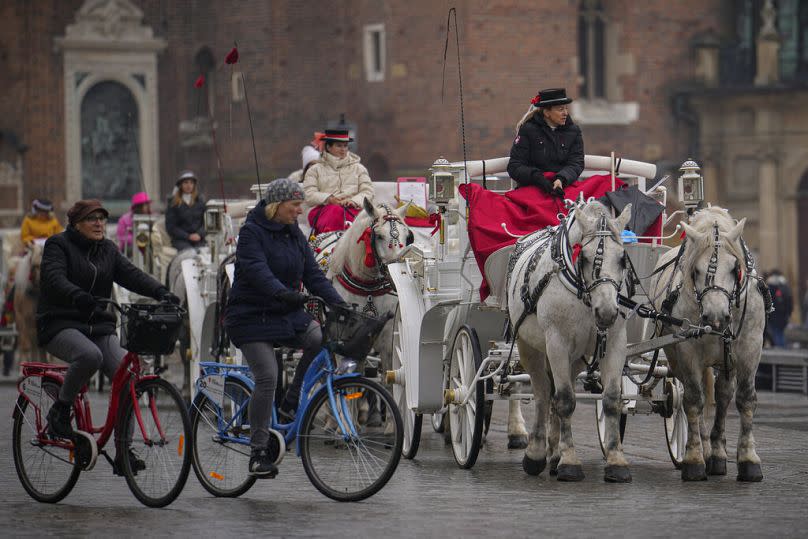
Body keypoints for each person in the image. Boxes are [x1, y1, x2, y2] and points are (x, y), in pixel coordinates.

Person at [37, 199, 179, 471]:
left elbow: (132, 275)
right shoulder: (58, 245)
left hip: (98, 326)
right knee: (90, 355)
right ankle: (61, 411)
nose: (99, 223)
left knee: (128, 378)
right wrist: (77, 296)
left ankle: (123, 452)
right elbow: (54, 278)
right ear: (76, 224)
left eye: (102, 218)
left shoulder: (108, 250)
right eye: (92, 219)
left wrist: (161, 291)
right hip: (59, 323)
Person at [225, 178, 345, 477]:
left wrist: (340, 303)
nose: (299, 211)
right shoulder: (252, 233)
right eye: (294, 205)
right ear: (277, 206)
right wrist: (283, 293)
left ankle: (292, 399)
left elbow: (314, 274)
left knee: (319, 337)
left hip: (284, 314)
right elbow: (256, 271)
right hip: (250, 316)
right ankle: (258, 451)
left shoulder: (294, 234)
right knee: (267, 375)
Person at [507, 88, 584, 198]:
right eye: (560, 109)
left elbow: (576, 163)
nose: (565, 113)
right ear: (547, 112)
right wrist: (537, 178)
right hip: (534, 187)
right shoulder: (528, 130)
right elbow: (515, 166)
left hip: (564, 186)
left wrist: (561, 179)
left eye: (566, 109)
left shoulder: (574, 131)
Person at [302, 128, 374, 235]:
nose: (343, 149)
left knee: (363, 218)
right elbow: (309, 195)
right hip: (322, 210)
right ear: (328, 147)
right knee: (336, 211)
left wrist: (353, 201)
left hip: (352, 208)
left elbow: (368, 192)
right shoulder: (314, 170)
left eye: (345, 146)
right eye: (339, 146)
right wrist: (329, 199)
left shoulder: (359, 168)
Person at [165, 170, 206, 251]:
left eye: (191, 183)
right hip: (181, 241)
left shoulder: (200, 201)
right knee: (189, 255)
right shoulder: (173, 204)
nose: (189, 185)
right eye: (186, 182)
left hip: (199, 240)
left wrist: (199, 234)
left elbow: (206, 222)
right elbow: (171, 227)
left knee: (204, 254)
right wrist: (188, 236)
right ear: (180, 185)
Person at [766, 269, 793, 347]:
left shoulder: (769, 286)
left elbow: (768, 300)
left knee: (775, 332)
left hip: (773, 314)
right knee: (780, 332)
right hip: (783, 315)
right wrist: (789, 313)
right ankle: (782, 348)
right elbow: (790, 301)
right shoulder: (785, 286)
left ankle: (779, 349)